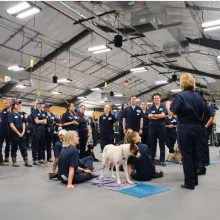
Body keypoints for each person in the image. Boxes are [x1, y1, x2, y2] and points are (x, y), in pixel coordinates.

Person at [170, 73, 204, 190]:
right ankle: (195, 180)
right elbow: (203, 113)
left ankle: (189, 183)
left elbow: (172, 112)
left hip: (185, 128)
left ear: (182, 82)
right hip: (197, 128)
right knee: (195, 154)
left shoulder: (180, 96)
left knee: (187, 156)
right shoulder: (199, 96)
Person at [8, 100, 32, 167]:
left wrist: (23, 132)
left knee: (23, 148)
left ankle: (26, 162)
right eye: (17, 104)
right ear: (13, 105)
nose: (18, 105)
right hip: (14, 134)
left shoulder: (20, 114)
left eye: (19, 104)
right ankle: (14, 162)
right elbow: (11, 125)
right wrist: (18, 133)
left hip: (22, 134)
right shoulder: (10, 114)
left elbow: (23, 123)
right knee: (14, 148)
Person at [197, 90, 214, 174]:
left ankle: (206, 161)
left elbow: (211, 118)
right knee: (202, 145)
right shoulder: (198, 106)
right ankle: (203, 161)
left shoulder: (207, 106)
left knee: (204, 144)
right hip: (200, 127)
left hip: (206, 127)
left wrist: (205, 127)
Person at [147, 93, 167, 166]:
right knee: (153, 144)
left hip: (161, 128)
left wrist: (154, 115)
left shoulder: (163, 107)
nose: (156, 99)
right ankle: (152, 159)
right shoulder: (151, 108)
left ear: (160, 99)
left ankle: (162, 160)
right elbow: (149, 116)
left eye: (157, 98)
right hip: (152, 128)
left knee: (162, 144)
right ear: (153, 99)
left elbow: (163, 115)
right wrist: (159, 116)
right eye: (155, 98)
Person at [31, 99, 47, 166]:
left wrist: (41, 121)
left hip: (42, 130)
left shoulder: (43, 112)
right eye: (39, 103)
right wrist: (42, 120)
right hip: (36, 130)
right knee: (35, 145)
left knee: (41, 145)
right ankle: (35, 160)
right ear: (36, 104)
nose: (40, 105)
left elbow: (45, 122)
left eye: (41, 104)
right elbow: (36, 121)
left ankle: (40, 159)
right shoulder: (34, 111)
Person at [0, 99, 11, 165]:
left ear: (10, 103)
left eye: (6, 103)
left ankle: (7, 157)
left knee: (8, 145)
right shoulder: (2, 111)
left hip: (10, 131)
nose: (5, 104)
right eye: (4, 103)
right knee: (0, 145)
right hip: (2, 131)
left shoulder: (12, 111)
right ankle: (1, 160)